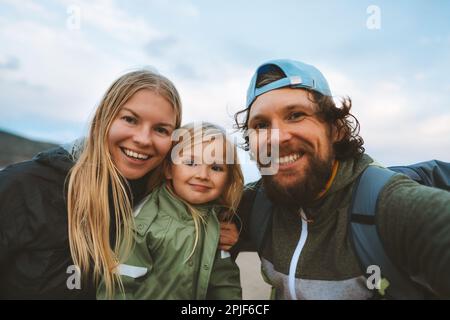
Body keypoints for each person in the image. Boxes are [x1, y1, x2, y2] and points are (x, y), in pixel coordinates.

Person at [231, 59, 450, 299]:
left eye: (295, 115)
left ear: (336, 130)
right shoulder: (254, 206)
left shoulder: (391, 205)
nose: (275, 138)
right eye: (261, 125)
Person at [0, 69, 184, 299]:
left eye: (161, 129)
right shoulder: (22, 187)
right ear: (103, 119)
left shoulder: (160, 205)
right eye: (130, 119)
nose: (143, 139)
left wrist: (223, 230)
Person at [97, 122, 244, 299]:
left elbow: (225, 283)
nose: (202, 175)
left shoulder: (215, 222)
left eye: (216, 168)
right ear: (168, 169)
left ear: (228, 179)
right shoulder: (144, 223)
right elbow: (118, 288)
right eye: (191, 162)